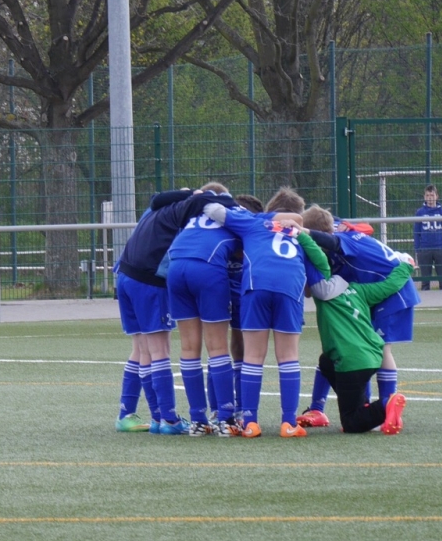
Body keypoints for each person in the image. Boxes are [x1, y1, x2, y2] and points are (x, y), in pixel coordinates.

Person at [115, 188, 239, 434]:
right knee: (159, 351)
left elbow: (157, 198)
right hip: (149, 281)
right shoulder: (185, 210)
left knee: (141, 349)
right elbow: (205, 200)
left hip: (124, 275)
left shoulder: (155, 208)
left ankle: (132, 414)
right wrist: (220, 200)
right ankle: (168, 420)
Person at [201, 187, 322, 438]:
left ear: (270, 209)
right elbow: (318, 282)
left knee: (253, 356)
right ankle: (288, 423)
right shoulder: (300, 234)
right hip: (290, 286)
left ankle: (250, 422)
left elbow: (213, 210)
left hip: (256, 284)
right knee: (288, 356)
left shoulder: (253, 222)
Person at [298, 205, 419, 426]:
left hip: (393, 291)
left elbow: (334, 241)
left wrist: (303, 233)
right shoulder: (335, 227)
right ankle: (320, 408)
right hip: (371, 289)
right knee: (336, 351)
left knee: (382, 349)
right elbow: (356, 225)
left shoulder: (341, 239)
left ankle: (387, 407)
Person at [165, 182, 241, 436]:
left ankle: (198, 420)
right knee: (217, 346)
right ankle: (226, 419)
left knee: (189, 347)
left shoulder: (193, 214)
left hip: (176, 267)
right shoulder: (235, 214)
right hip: (207, 268)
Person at [413, 184, 442, 291]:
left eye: (432, 195)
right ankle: (426, 299)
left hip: (440, 248)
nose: (430, 198)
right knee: (425, 280)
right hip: (425, 249)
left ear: (437, 196)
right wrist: (418, 249)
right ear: (424, 197)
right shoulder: (420, 212)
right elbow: (416, 232)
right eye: (428, 195)